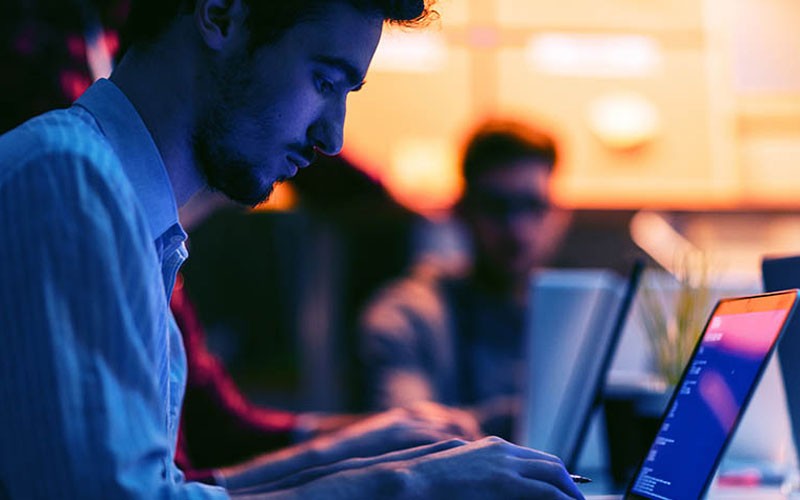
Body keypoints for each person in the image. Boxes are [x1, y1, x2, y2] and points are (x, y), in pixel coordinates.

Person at [0, 0, 584, 498]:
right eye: (325, 82)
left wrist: (364, 455)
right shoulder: (69, 179)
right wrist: (409, 485)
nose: (332, 137)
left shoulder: (133, 220)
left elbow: (165, 491)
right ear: (221, 15)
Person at [360, 118, 572, 439]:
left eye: (532, 205)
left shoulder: (579, 315)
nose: (517, 230)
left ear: (559, 214)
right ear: (461, 211)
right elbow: (407, 436)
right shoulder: (407, 314)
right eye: (496, 207)